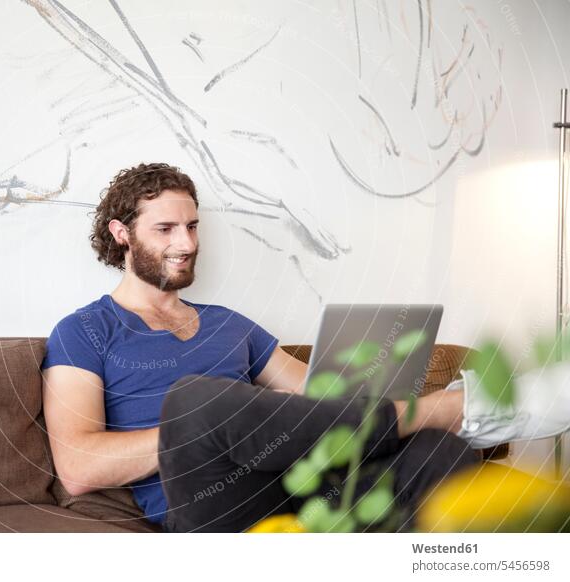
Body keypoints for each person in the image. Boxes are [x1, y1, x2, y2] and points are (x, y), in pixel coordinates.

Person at [40, 162, 570, 532]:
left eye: (193, 226)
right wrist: (225, 434)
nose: (188, 243)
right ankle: (458, 407)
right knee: (194, 402)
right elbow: (80, 466)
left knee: (438, 449)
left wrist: (354, 385)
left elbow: (318, 395)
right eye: (166, 229)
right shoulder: (85, 331)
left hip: (313, 487)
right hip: (219, 504)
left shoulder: (230, 324)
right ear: (121, 234)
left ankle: (443, 423)